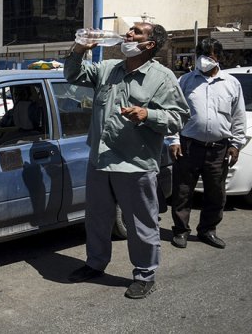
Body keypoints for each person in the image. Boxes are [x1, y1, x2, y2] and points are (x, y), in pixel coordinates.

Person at [64, 22, 190, 299]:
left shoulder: (163, 77)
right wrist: (78, 49)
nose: (128, 34)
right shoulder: (109, 69)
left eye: (136, 32)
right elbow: (73, 75)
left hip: (135, 164)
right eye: (130, 30)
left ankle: (144, 274)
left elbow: (180, 118)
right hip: (101, 160)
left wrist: (149, 116)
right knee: (97, 219)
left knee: (140, 223)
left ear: (149, 45)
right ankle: (95, 263)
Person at [169, 39, 246, 249]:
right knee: (183, 191)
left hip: (218, 149)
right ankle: (181, 231)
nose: (204, 59)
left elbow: (238, 116)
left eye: (209, 55)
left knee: (216, 193)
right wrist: (174, 139)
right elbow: (174, 113)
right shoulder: (185, 81)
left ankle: (208, 230)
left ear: (218, 57)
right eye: (200, 54)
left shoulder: (231, 83)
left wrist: (236, 144)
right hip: (189, 146)